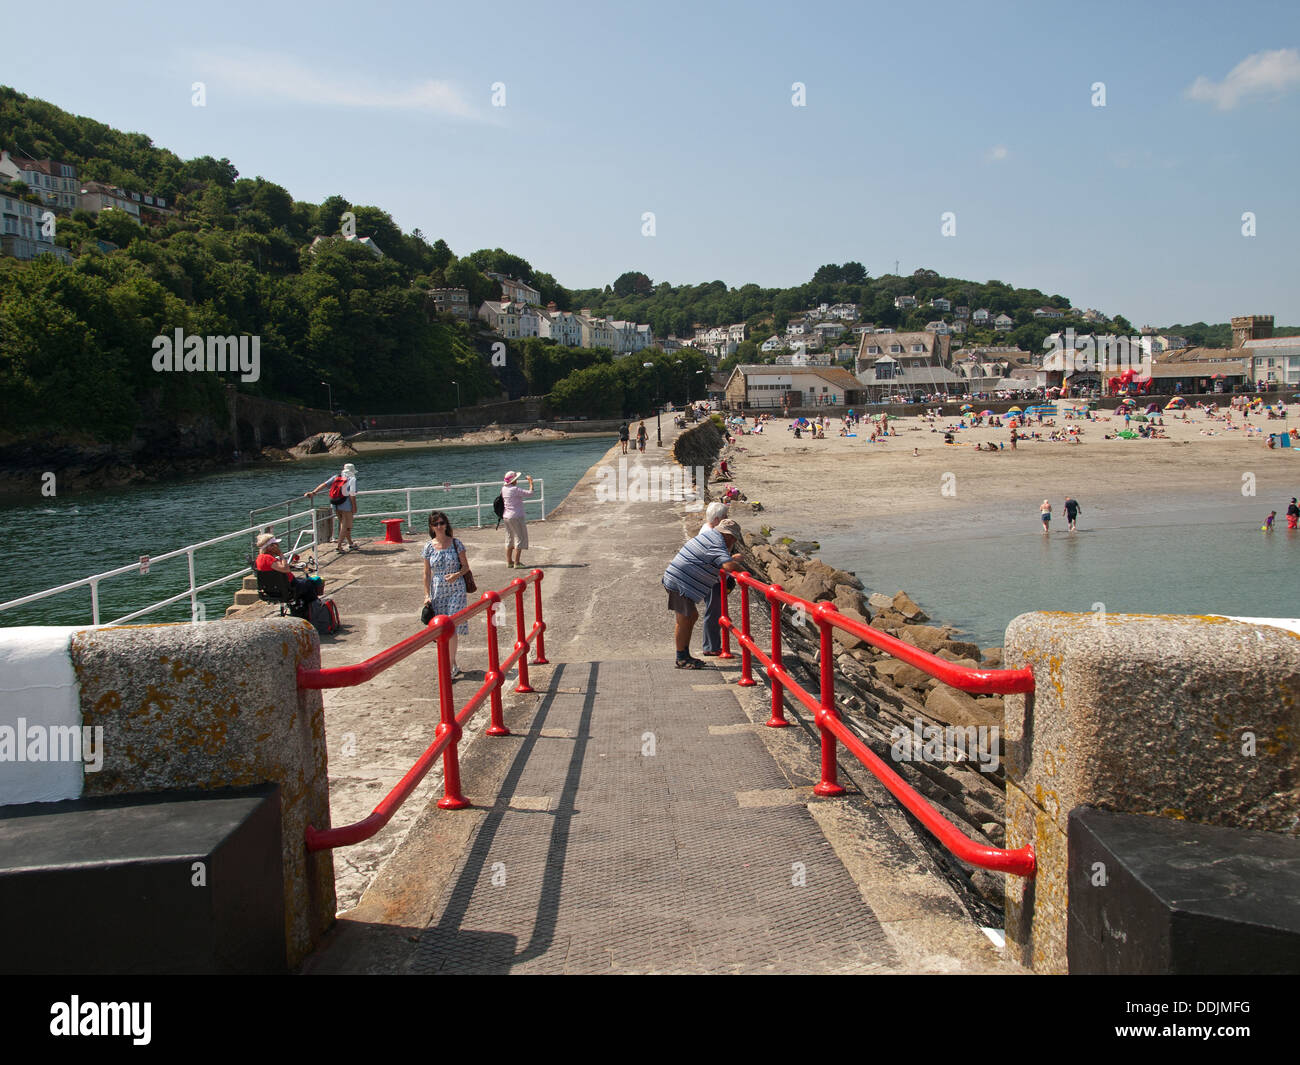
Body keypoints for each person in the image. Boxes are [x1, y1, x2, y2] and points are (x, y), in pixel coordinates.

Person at [662, 517, 747, 669]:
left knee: (690, 616)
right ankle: (681, 658)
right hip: (680, 582)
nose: (733, 543)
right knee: (686, 617)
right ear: (728, 536)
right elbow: (727, 565)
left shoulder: (711, 536)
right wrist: (747, 574)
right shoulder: (717, 542)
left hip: (679, 579)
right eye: (733, 539)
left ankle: (684, 655)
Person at [422, 511, 471, 680]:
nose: (439, 526)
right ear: (431, 527)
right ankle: (454, 664)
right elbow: (427, 573)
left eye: (442, 523)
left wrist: (456, 575)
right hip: (438, 590)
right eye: (435, 524)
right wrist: (427, 594)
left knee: (452, 627)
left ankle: (449, 667)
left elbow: (465, 567)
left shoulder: (456, 543)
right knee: (442, 630)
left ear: (446, 524)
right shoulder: (428, 547)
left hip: (456, 588)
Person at [697, 502, 731, 657]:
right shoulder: (711, 534)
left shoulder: (707, 529)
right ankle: (711, 647)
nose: (727, 519)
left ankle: (712, 645)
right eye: (725, 517)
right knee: (713, 611)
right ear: (717, 520)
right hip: (711, 579)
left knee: (714, 611)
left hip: (709, 576)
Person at [255, 533, 323, 605]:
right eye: (275, 544)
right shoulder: (267, 558)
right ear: (270, 547)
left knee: (304, 581)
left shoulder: (260, 558)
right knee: (310, 583)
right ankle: (314, 608)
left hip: (273, 588)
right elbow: (285, 569)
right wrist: (281, 555)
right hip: (287, 588)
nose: (278, 546)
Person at [306, 462, 358, 552]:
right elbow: (352, 495)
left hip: (335, 503)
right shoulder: (352, 479)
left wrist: (313, 492)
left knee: (343, 524)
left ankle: (350, 543)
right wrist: (354, 506)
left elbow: (324, 484)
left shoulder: (336, 477)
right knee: (346, 526)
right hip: (346, 505)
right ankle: (339, 546)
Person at [501, 471, 534, 568]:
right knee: (519, 538)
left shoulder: (504, 488)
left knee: (509, 538)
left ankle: (509, 561)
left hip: (506, 516)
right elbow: (530, 493)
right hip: (516, 516)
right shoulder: (514, 489)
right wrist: (531, 482)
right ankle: (517, 562)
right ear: (513, 480)